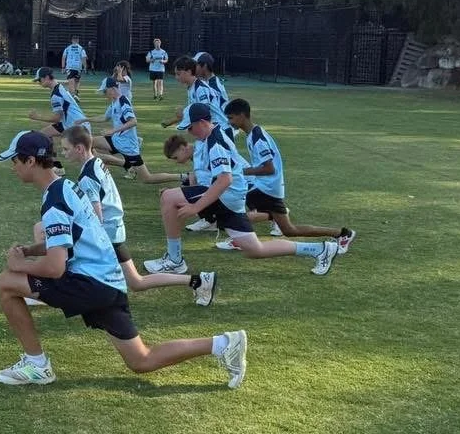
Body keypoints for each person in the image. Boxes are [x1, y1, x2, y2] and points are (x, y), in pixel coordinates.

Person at [0, 129, 247, 387]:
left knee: (6, 282)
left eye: (15, 161)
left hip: (91, 283)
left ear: (30, 161)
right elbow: (73, 237)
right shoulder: (65, 187)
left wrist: (20, 264)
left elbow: (56, 268)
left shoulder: (56, 200)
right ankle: (225, 343)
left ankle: (37, 365)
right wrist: (31, 251)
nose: (13, 168)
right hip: (108, 281)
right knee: (141, 360)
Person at [145, 106, 338, 276]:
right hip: (232, 198)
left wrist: (196, 207)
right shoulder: (211, 135)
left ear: (203, 122)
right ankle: (319, 249)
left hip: (226, 195)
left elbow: (225, 179)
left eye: (190, 127)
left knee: (168, 196)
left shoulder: (215, 142)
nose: (189, 132)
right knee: (255, 250)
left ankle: (175, 261)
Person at [61, 125, 217, 304]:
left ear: (79, 148)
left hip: (107, 235)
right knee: (136, 282)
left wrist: (77, 230)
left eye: (66, 149)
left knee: (68, 261)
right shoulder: (96, 162)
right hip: (114, 231)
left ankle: (40, 292)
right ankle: (198, 281)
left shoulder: (87, 177)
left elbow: (96, 217)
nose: (63, 153)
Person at [224, 97, 356, 252]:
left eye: (231, 118)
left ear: (242, 115)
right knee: (289, 230)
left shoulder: (257, 139)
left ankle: (240, 238)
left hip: (267, 188)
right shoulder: (253, 135)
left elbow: (269, 169)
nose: (229, 122)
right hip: (267, 188)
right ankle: (342, 233)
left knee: (234, 207)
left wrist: (241, 171)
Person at [92, 76, 181, 185]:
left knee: (147, 178)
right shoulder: (114, 102)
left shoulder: (123, 101)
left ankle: (183, 176)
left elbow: (133, 121)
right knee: (88, 142)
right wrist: (83, 119)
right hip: (116, 140)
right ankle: (99, 166)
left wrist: (113, 131)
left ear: (112, 89)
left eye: (105, 91)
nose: (104, 94)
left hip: (128, 146)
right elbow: (104, 117)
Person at [161, 56, 230, 130]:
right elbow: (196, 112)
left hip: (221, 129)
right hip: (213, 128)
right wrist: (171, 121)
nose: (176, 77)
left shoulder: (200, 88)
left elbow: (204, 112)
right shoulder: (192, 87)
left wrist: (182, 116)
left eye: (178, 74)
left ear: (189, 72)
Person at [28, 66, 90, 136]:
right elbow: (56, 81)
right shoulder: (58, 87)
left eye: (39, 80)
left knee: (67, 145)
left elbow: (56, 118)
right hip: (76, 123)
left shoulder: (56, 95)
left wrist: (37, 117)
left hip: (77, 127)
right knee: (42, 135)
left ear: (47, 77)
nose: (39, 83)